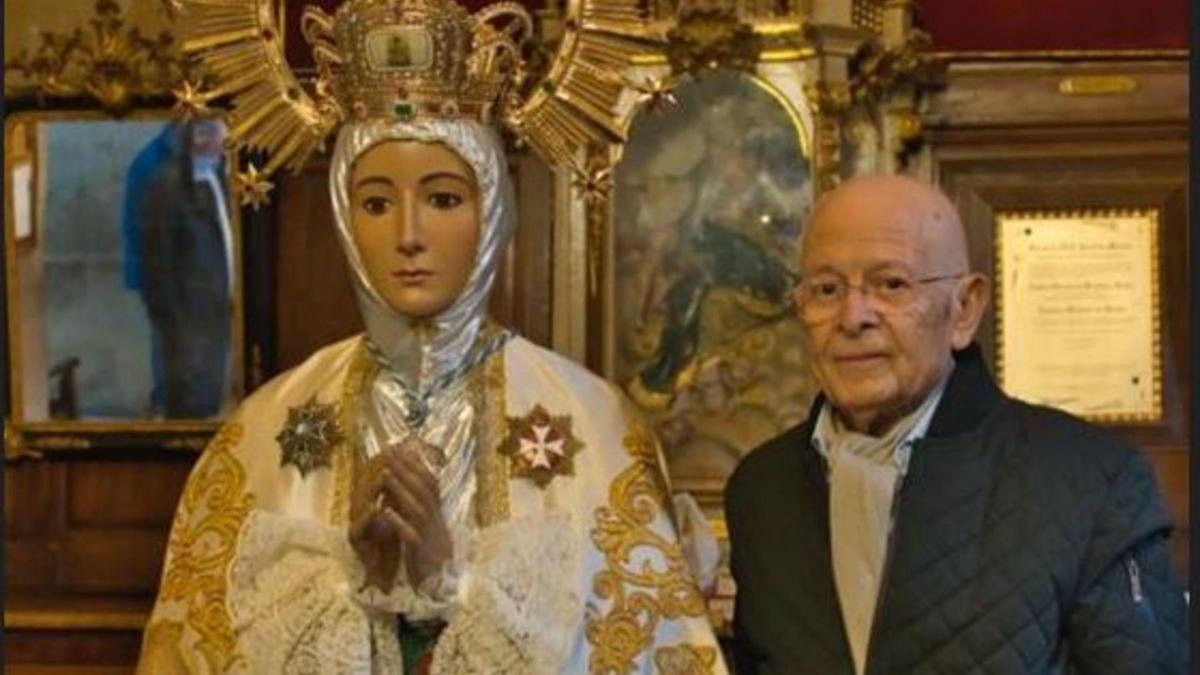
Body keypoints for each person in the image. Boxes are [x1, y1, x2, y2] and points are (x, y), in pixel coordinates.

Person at [136, 2, 724, 671]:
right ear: (342, 213)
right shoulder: (261, 435)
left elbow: (639, 648)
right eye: (377, 203)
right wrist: (351, 586)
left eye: (443, 198)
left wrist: (454, 584)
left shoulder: (594, 425)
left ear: (493, 207)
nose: (408, 234)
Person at [725, 174, 1188, 674]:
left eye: (891, 284)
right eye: (827, 288)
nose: (853, 316)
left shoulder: (1092, 478)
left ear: (965, 309)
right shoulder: (760, 491)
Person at [131, 119, 234, 418]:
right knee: (190, 398)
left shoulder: (217, 175)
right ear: (200, 135)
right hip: (187, 314)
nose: (227, 139)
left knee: (212, 389)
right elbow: (158, 260)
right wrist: (173, 319)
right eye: (220, 131)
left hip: (216, 305)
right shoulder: (166, 184)